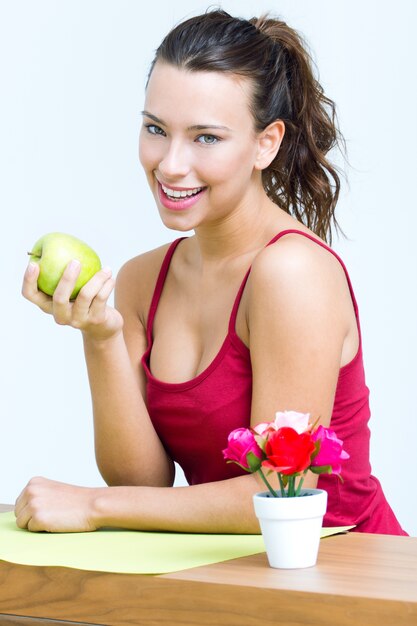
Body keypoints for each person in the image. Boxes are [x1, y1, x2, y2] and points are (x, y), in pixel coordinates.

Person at [17, 9, 406, 535]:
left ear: (266, 143)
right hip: (229, 577)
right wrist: (101, 336)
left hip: (346, 580)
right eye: (156, 129)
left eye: (206, 138)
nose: (171, 164)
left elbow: (280, 494)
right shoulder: (142, 281)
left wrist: (91, 506)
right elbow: (144, 483)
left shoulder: (292, 273)